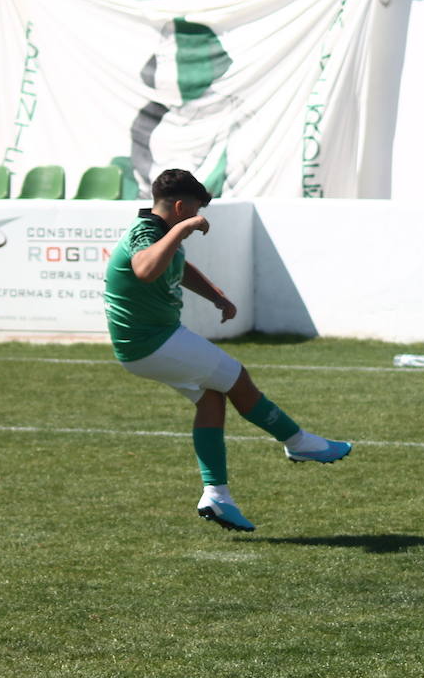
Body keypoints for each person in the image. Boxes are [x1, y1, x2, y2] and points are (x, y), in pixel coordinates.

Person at [104, 168, 351, 533]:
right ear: (178, 206)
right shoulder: (147, 232)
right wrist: (182, 229)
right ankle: (298, 441)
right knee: (237, 377)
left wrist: (216, 296)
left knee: (212, 398)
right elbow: (144, 269)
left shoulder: (158, 233)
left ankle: (216, 495)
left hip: (153, 340)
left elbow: (176, 265)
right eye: (193, 210)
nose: (197, 217)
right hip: (150, 342)